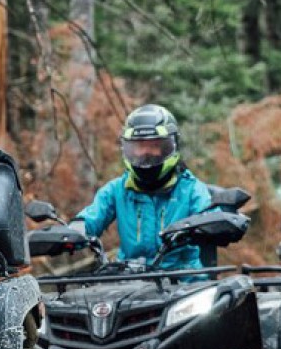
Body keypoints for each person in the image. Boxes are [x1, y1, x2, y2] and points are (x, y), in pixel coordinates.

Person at [71, 104, 213, 271]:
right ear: (128, 148)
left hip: (185, 283)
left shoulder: (191, 190)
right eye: (139, 146)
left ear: (171, 146)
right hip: (128, 283)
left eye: (154, 145)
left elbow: (210, 216)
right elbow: (91, 218)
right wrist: (69, 234)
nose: (146, 153)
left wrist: (220, 224)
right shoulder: (116, 190)